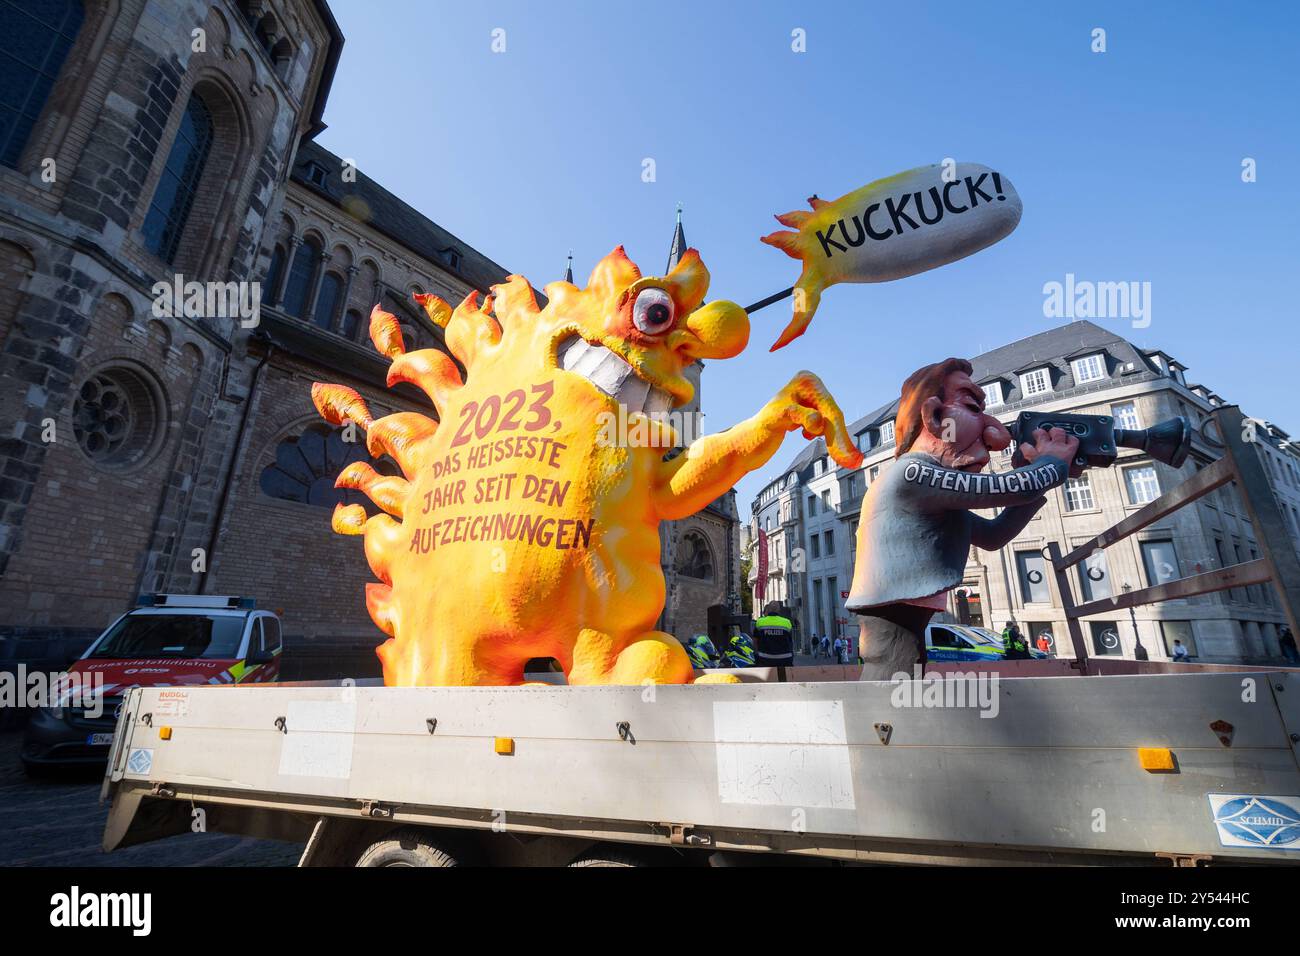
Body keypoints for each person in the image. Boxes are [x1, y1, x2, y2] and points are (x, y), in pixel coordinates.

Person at [845, 358, 1079, 680]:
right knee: (893, 687)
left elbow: (994, 535)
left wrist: (1041, 474)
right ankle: (884, 729)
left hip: (905, 616)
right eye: (972, 406)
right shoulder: (914, 473)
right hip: (892, 615)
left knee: (904, 673)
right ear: (935, 416)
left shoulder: (935, 491)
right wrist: (1051, 466)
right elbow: (999, 489)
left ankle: (890, 726)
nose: (997, 435)